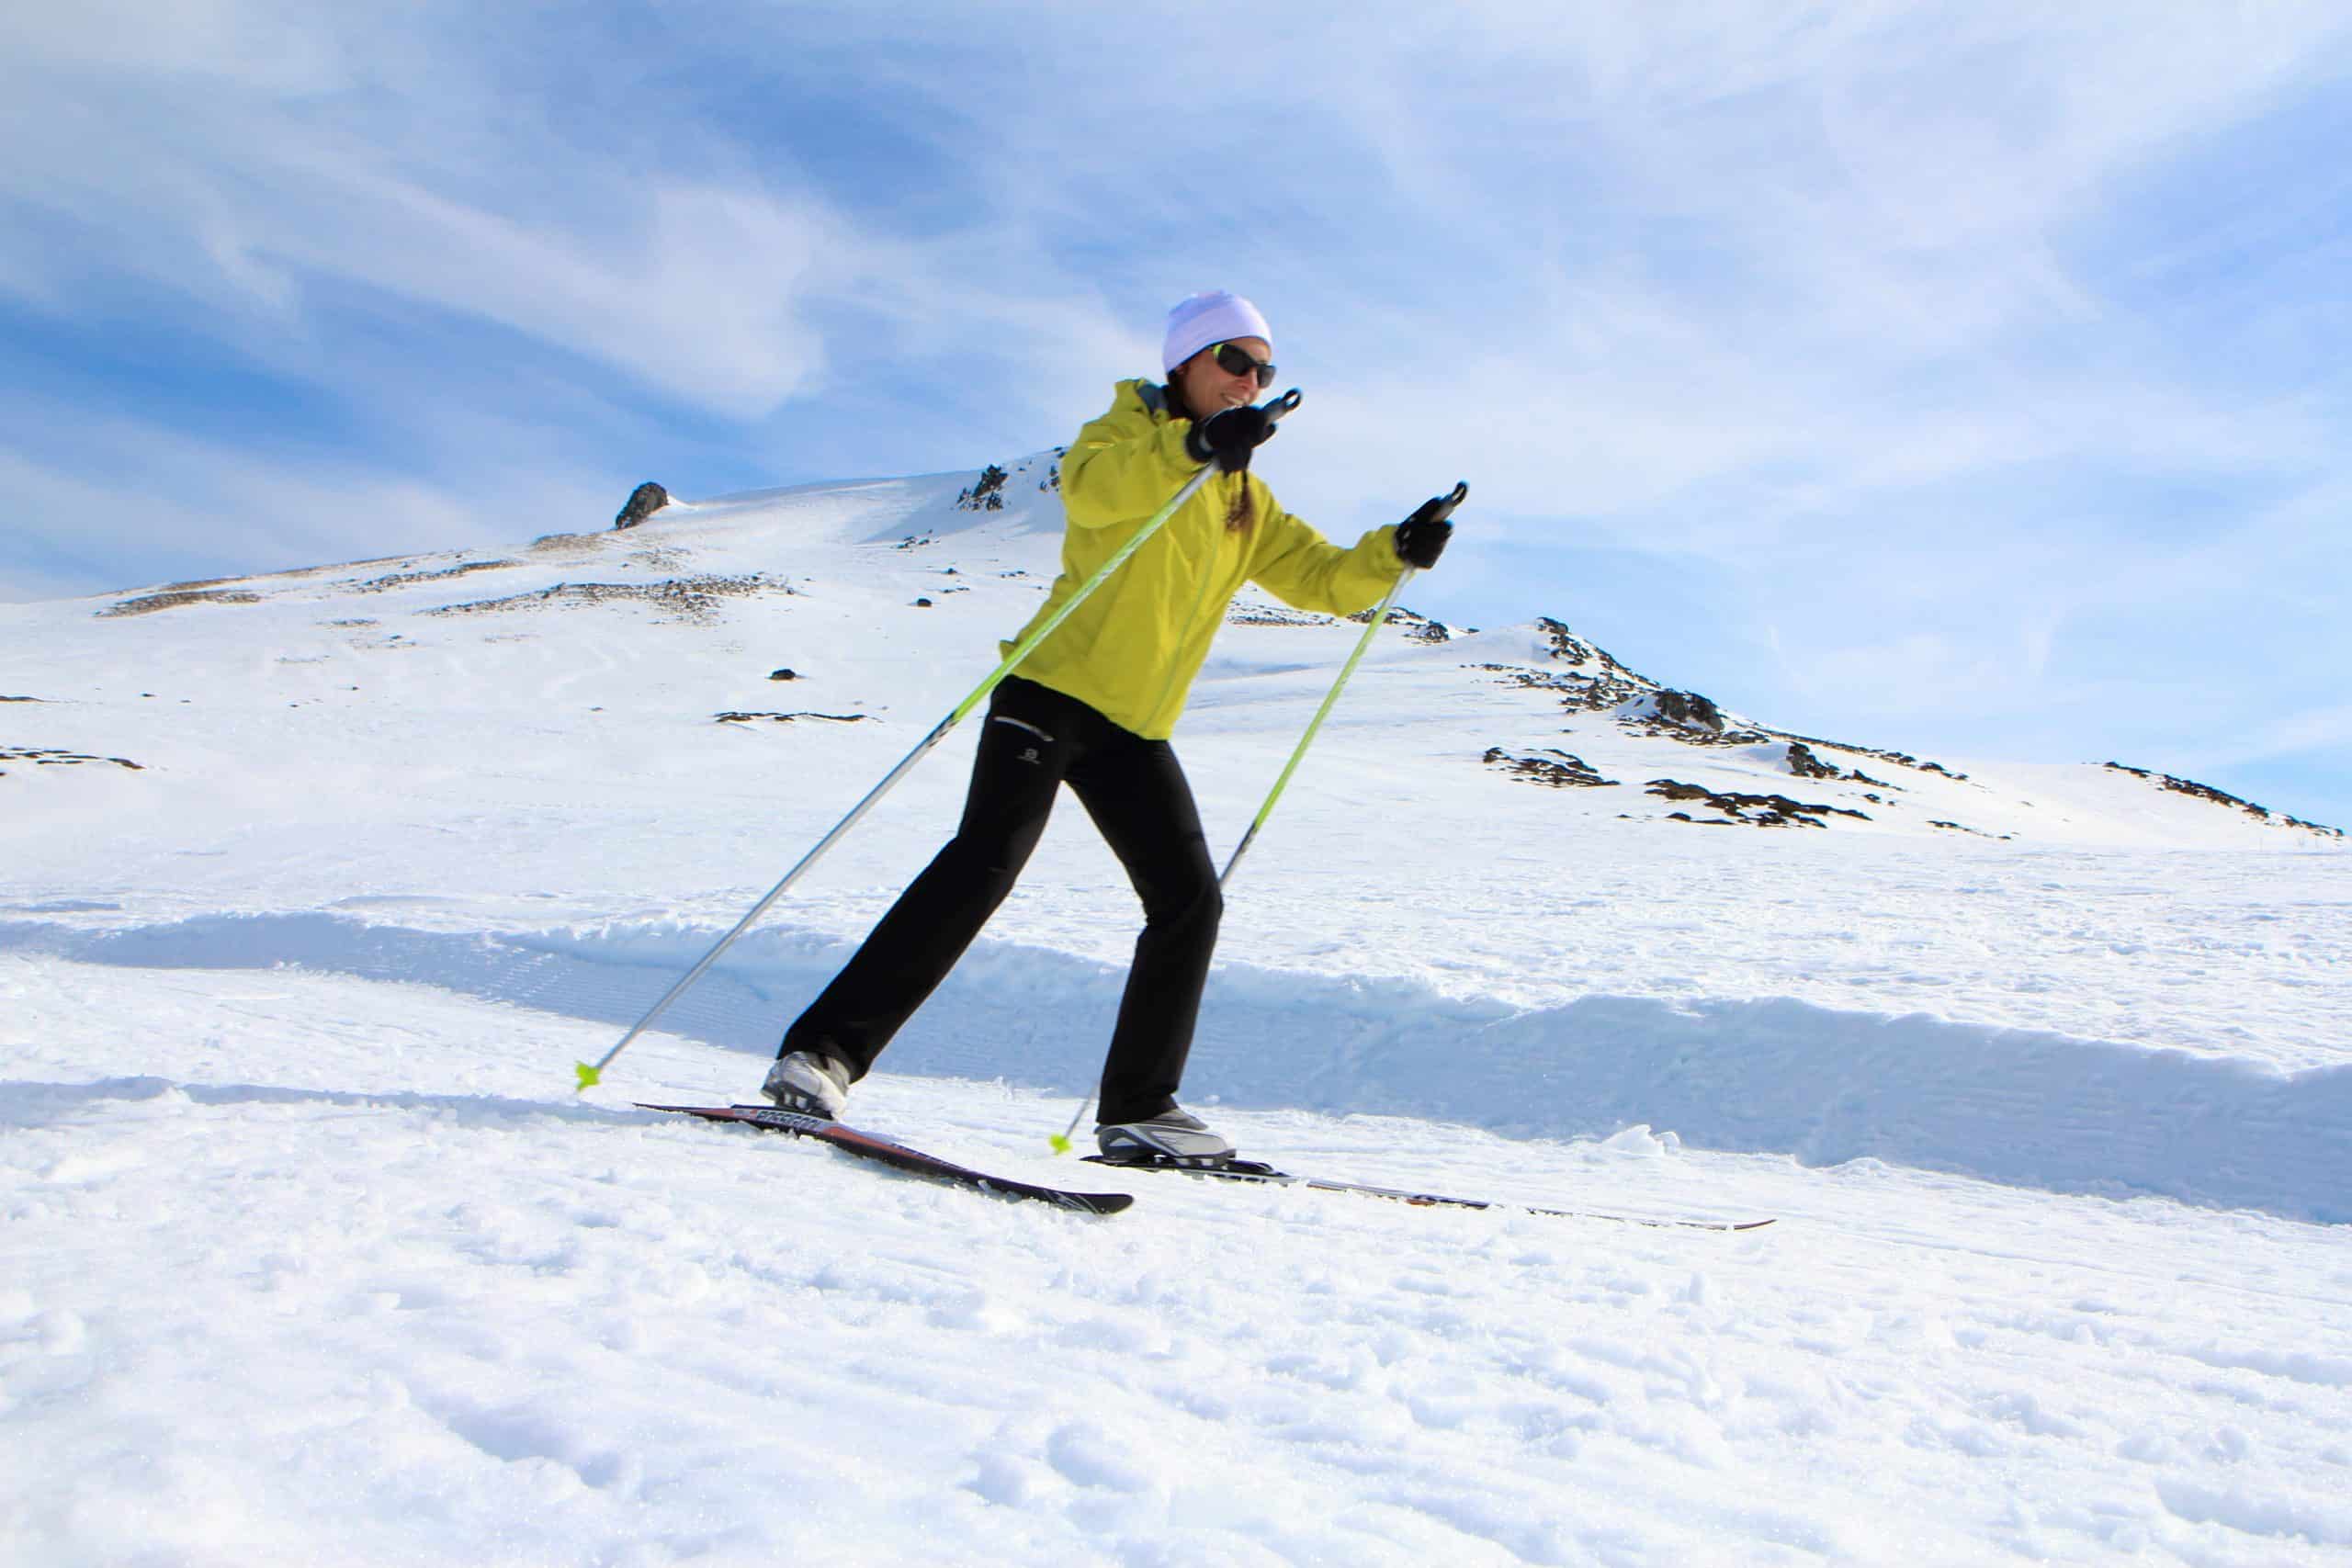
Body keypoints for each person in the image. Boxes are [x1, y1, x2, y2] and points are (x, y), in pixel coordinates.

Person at [761, 289, 1453, 1161]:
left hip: (1134, 725)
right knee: (984, 862)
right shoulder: (1121, 438)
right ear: (1185, 365)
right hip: (1050, 689)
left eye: (1263, 369)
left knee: (1189, 902)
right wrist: (1192, 447)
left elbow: (1323, 579)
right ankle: (821, 1055)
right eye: (1232, 361)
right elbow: (1091, 494)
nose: (1250, 381)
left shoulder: (1246, 501)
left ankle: (1139, 1107)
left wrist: (1394, 552)